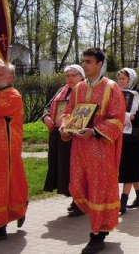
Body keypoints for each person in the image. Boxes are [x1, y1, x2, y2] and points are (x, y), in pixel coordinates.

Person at [60, 48, 125, 254]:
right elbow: (69, 112)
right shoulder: (78, 88)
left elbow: (117, 118)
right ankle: (98, 225)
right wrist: (65, 128)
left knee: (99, 189)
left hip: (100, 147)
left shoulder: (111, 88)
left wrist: (95, 131)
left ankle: (97, 234)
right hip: (79, 147)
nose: (85, 65)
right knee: (78, 185)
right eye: (84, 61)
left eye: (89, 62)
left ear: (99, 64)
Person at [0, 62, 28, 244]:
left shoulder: (12, 95)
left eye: (0, 74)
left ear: (10, 78)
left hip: (3, 150)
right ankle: (19, 209)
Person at [42, 64, 85, 216]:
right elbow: (48, 106)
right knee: (63, 168)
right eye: (68, 76)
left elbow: (85, 111)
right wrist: (46, 117)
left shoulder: (84, 91)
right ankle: (74, 198)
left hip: (76, 137)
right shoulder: (62, 90)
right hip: (58, 136)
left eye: (73, 75)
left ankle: (81, 202)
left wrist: (67, 124)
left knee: (75, 169)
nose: (70, 78)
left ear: (81, 76)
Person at [117, 68, 139, 214]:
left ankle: (122, 202)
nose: (121, 81)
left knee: (130, 167)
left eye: (123, 79)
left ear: (131, 79)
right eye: (119, 79)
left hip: (135, 135)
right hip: (121, 134)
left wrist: (133, 118)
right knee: (132, 167)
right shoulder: (117, 93)